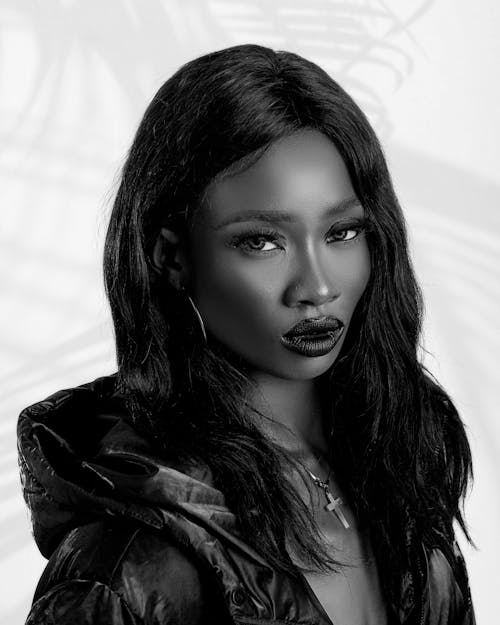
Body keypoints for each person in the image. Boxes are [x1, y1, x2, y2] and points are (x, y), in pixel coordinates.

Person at [17, 44, 475, 625]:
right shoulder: (125, 568)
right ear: (172, 257)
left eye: (342, 232)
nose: (316, 286)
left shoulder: (400, 464)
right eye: (261, 240)